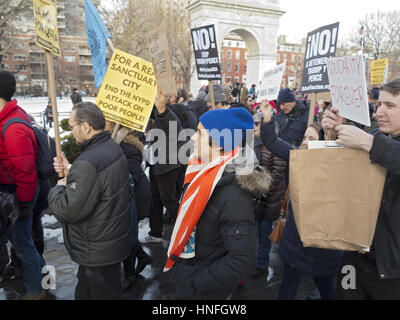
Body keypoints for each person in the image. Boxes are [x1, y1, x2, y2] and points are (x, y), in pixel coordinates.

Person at [166, 107, 272, 300]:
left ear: (220, 145)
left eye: (199, 133)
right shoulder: (202, 172)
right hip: (192, 268)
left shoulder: (234, 197)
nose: (192, 138)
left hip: (206, 290)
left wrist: (197, 283)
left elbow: (242, 259)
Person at [322, 79, 400, 300]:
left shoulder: (378, 142)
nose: (380, 111)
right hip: (354, 259)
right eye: (379, 104)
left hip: (391, 273)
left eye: (390, 105)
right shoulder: (380, 138)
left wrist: (370, 143)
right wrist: (337, 128)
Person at [48, 102, 131, 300]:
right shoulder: (111, 146)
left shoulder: (88, 162)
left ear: (85, 127)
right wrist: (71, 171)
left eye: (71, 126)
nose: (71, 131)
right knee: (88, 292)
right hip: (108, 242)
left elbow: (68, 209)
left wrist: (59, 187)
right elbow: (99, 185)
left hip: (96, 248)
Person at [260, 104, 343, 300]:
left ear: (325, 143)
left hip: (324, 248)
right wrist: (267, 119)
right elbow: (271, 141)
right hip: (295, 245)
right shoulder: (297, 157)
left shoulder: (340, 170)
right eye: (304, 138)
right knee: (288, 288)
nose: (305, 142)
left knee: (327, 288)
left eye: (311, 139)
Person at [0, 70, 45, 300]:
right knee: (23, 244)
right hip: (12, 193)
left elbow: (26, 172)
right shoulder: (10, 116)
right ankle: (44, 281)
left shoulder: (13, 127)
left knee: (24, 245)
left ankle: (37, 291)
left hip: (19, 195)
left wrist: (24, 203)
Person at [105, 121, 153, 290]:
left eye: (105, 124)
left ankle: (130, 274)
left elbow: (131, 175)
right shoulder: (117, 145)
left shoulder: (126, 148)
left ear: (114, 128)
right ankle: (142, 257)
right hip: (129, 195)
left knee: (127, 234)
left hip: (136, 196)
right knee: (127, 233)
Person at [141, 89, 186, 243]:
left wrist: (162, 110)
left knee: (169, 201)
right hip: (156, 163)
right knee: (156, 200)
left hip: (168, 165)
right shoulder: (153, 114)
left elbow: (174, 128)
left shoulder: (167, 113)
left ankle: (185, 236)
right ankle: (156, 234)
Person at [252, 112, 287, 278]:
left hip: (269, 199)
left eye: (257, 123)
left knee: (265, 233)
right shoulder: (250, 144)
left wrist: (261, 190)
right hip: (254, 198)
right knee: (253, 233)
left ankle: (261, 264)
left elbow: (277, 173)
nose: (253, 127)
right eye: (252, 123)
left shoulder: (277, 146)